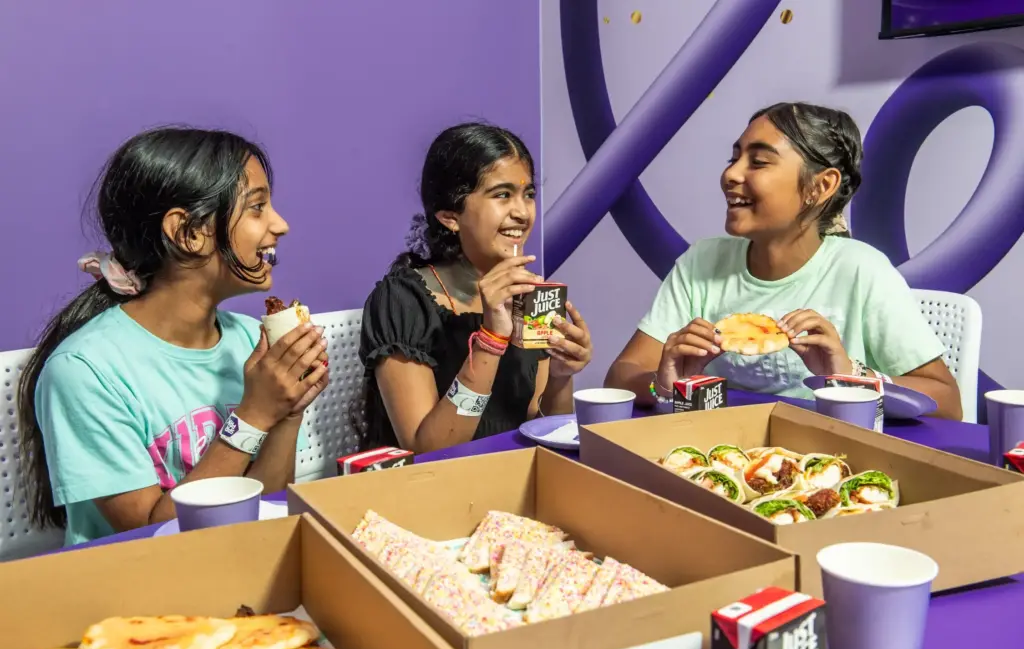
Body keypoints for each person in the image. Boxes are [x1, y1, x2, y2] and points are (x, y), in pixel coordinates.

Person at [19, 127, 330, 546]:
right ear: (188, 233)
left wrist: (289, 409)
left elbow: (267, 504)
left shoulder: (246, 342)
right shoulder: (83, 371)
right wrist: (254, 416)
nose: (281, 225)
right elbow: (153, 534)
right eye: (257, 208)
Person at [605, 102, 962, 420]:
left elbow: (947, 402)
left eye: (758, 162)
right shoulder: (702, 262)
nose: (731, 174)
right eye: (734, 158)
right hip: (722, 457)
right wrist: (663, 383)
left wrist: (852, 377)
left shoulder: (862, 271)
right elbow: (622, 374)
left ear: (820, 187)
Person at [359, 123, 593, 452]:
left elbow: (544, 430)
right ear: (450, 216)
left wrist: (560, 377)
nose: (522, 213)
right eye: (502, 195)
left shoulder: (526, 295)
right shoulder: (402, 300)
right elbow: (429, 451)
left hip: (515, 479)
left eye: (528, 195)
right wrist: (490, 341)